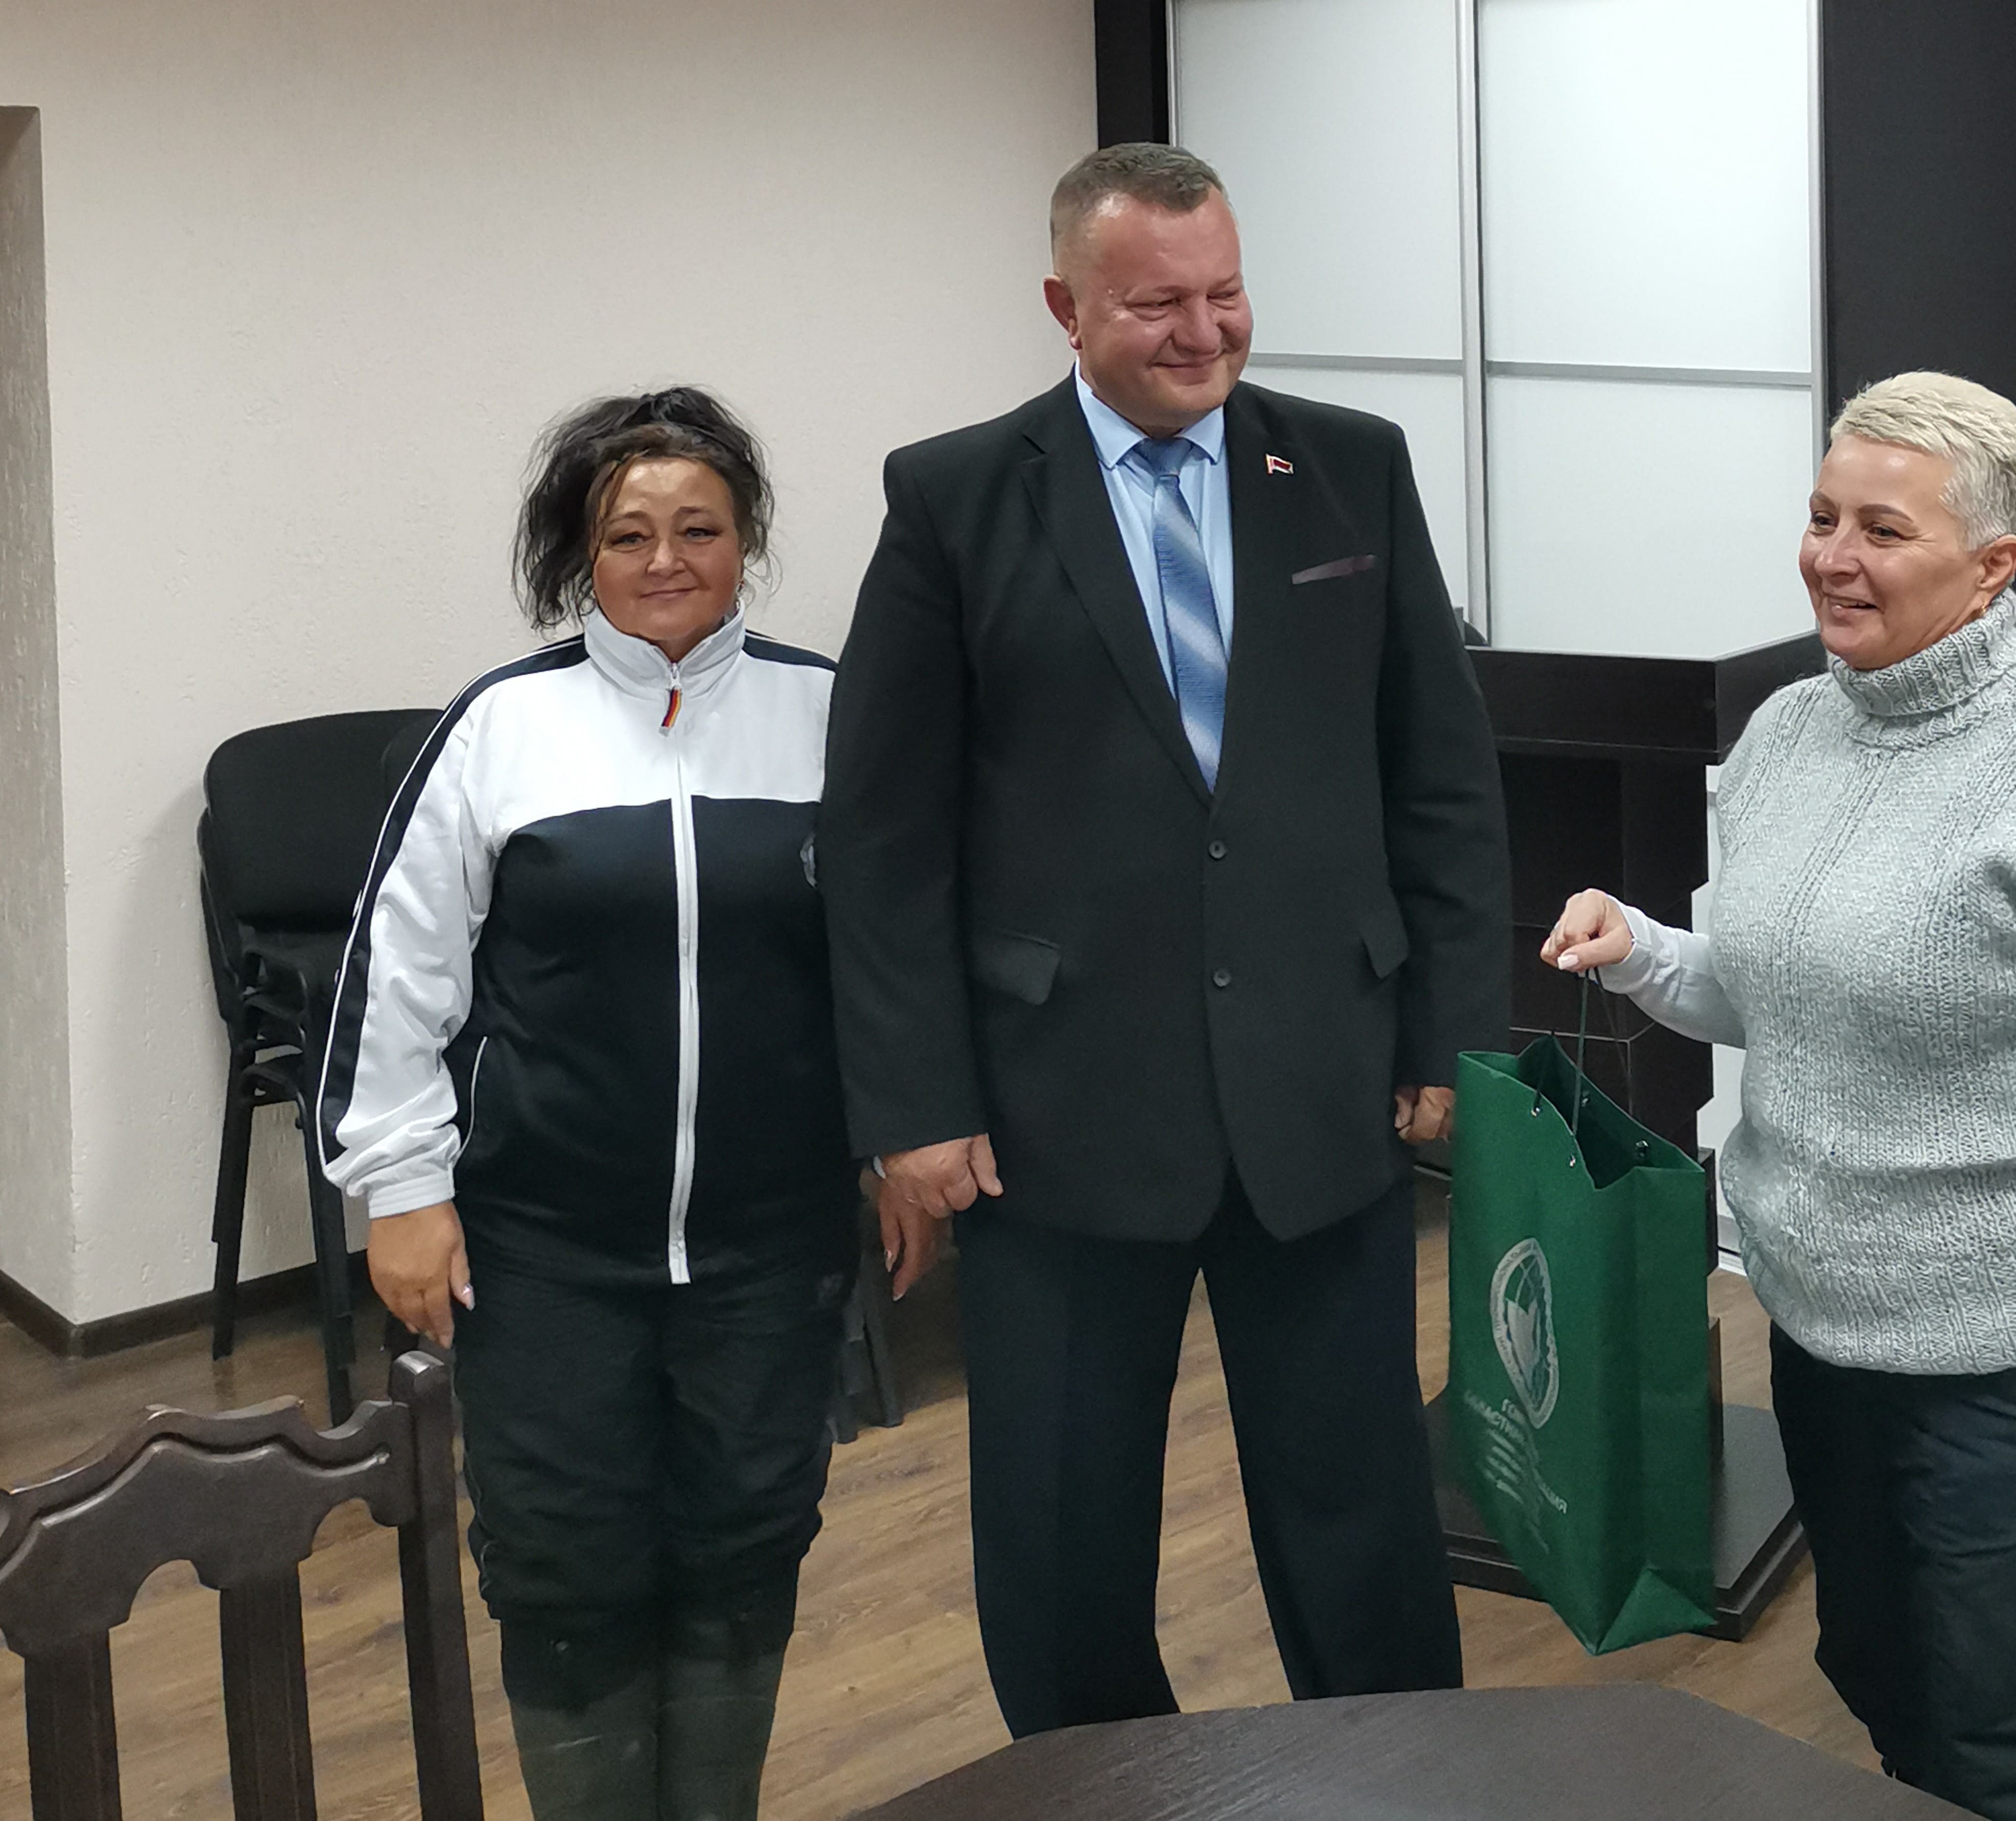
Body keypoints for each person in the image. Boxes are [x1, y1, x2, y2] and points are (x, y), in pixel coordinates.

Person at [820, 142, 1510, 1737]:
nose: (1203, 334)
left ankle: (1400, 1777)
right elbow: (881, 837)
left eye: (1226, 295)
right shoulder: (955, 499)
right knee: (1063, 1527)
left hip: (1319, 1084)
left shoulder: (1348, 468)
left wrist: (1453, 1037)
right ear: (1064, 306)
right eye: (1155, 306)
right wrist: (914, 1106)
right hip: (1057, 1109)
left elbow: (1441, 781)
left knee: (1359, 1512)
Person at [1542, 372, 2016, 1821]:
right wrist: (1647, 953)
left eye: (1882, 531)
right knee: (1887, 1689)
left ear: (1991, 565)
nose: (1832, 558)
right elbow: (1781, 994)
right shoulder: (1791, 732)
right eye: (1820, 517)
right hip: (1823, 1343)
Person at [318, 387, 857, 1820]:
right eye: (629, 534)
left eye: (700, 529)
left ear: (747, 545)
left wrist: (905, 1147)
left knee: (749, 1535)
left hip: (773, 1239)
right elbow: (400, 974)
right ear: (581, 554)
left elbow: (896, 960)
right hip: (545, 1242)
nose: (666, 559)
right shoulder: (504, 726)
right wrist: (402, 1190)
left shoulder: (828, 714)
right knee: (564, 1556)